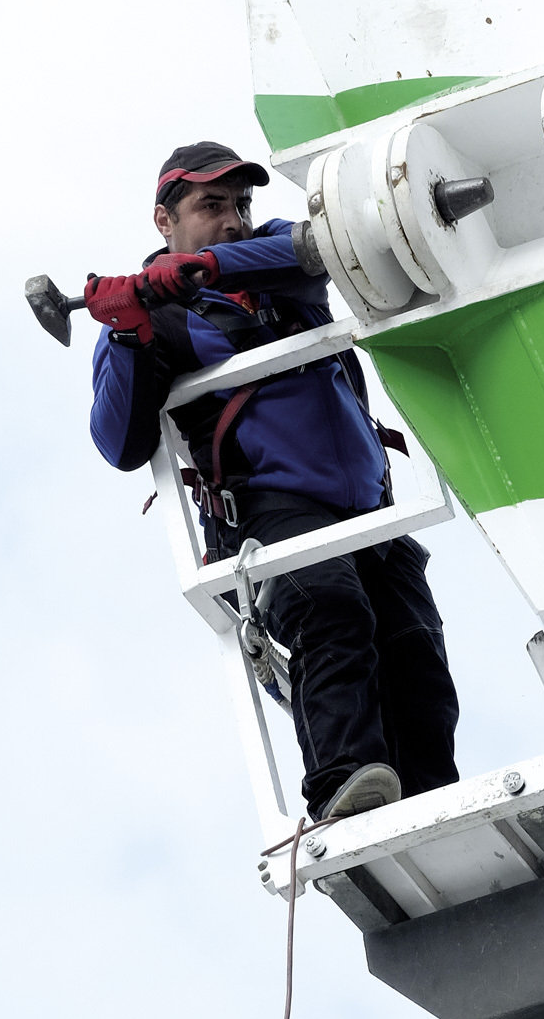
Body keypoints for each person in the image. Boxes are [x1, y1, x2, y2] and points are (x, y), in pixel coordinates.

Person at [87, 141, 462, 809]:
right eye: (211, 206)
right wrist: (127, 328)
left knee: (416, 654)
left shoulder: (275, 266)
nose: (232, 219)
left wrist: (199, 264)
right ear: (162, 219)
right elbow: (119, 440)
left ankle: (436, 802)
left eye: (240, 204)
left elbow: (312, 247)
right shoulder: (161, 318)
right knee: (329, 609)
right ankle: (345, 786)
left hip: (368, 506)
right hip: (268, 506)